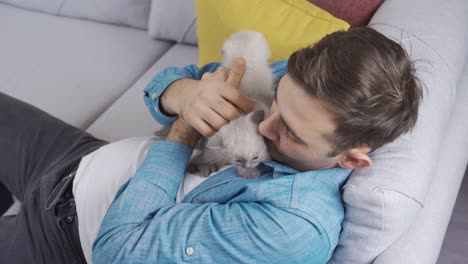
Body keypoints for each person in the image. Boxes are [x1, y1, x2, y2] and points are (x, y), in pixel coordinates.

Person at [0, 27, 423, 264]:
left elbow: (118, 251)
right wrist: (182, 94)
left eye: (292, 133)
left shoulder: (291, 230)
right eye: (277, 98)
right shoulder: (302, 87)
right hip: (83, 158)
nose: (266, 126)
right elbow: (172, 83)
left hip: (61, 236)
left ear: (350, 158)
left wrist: (184, 129)